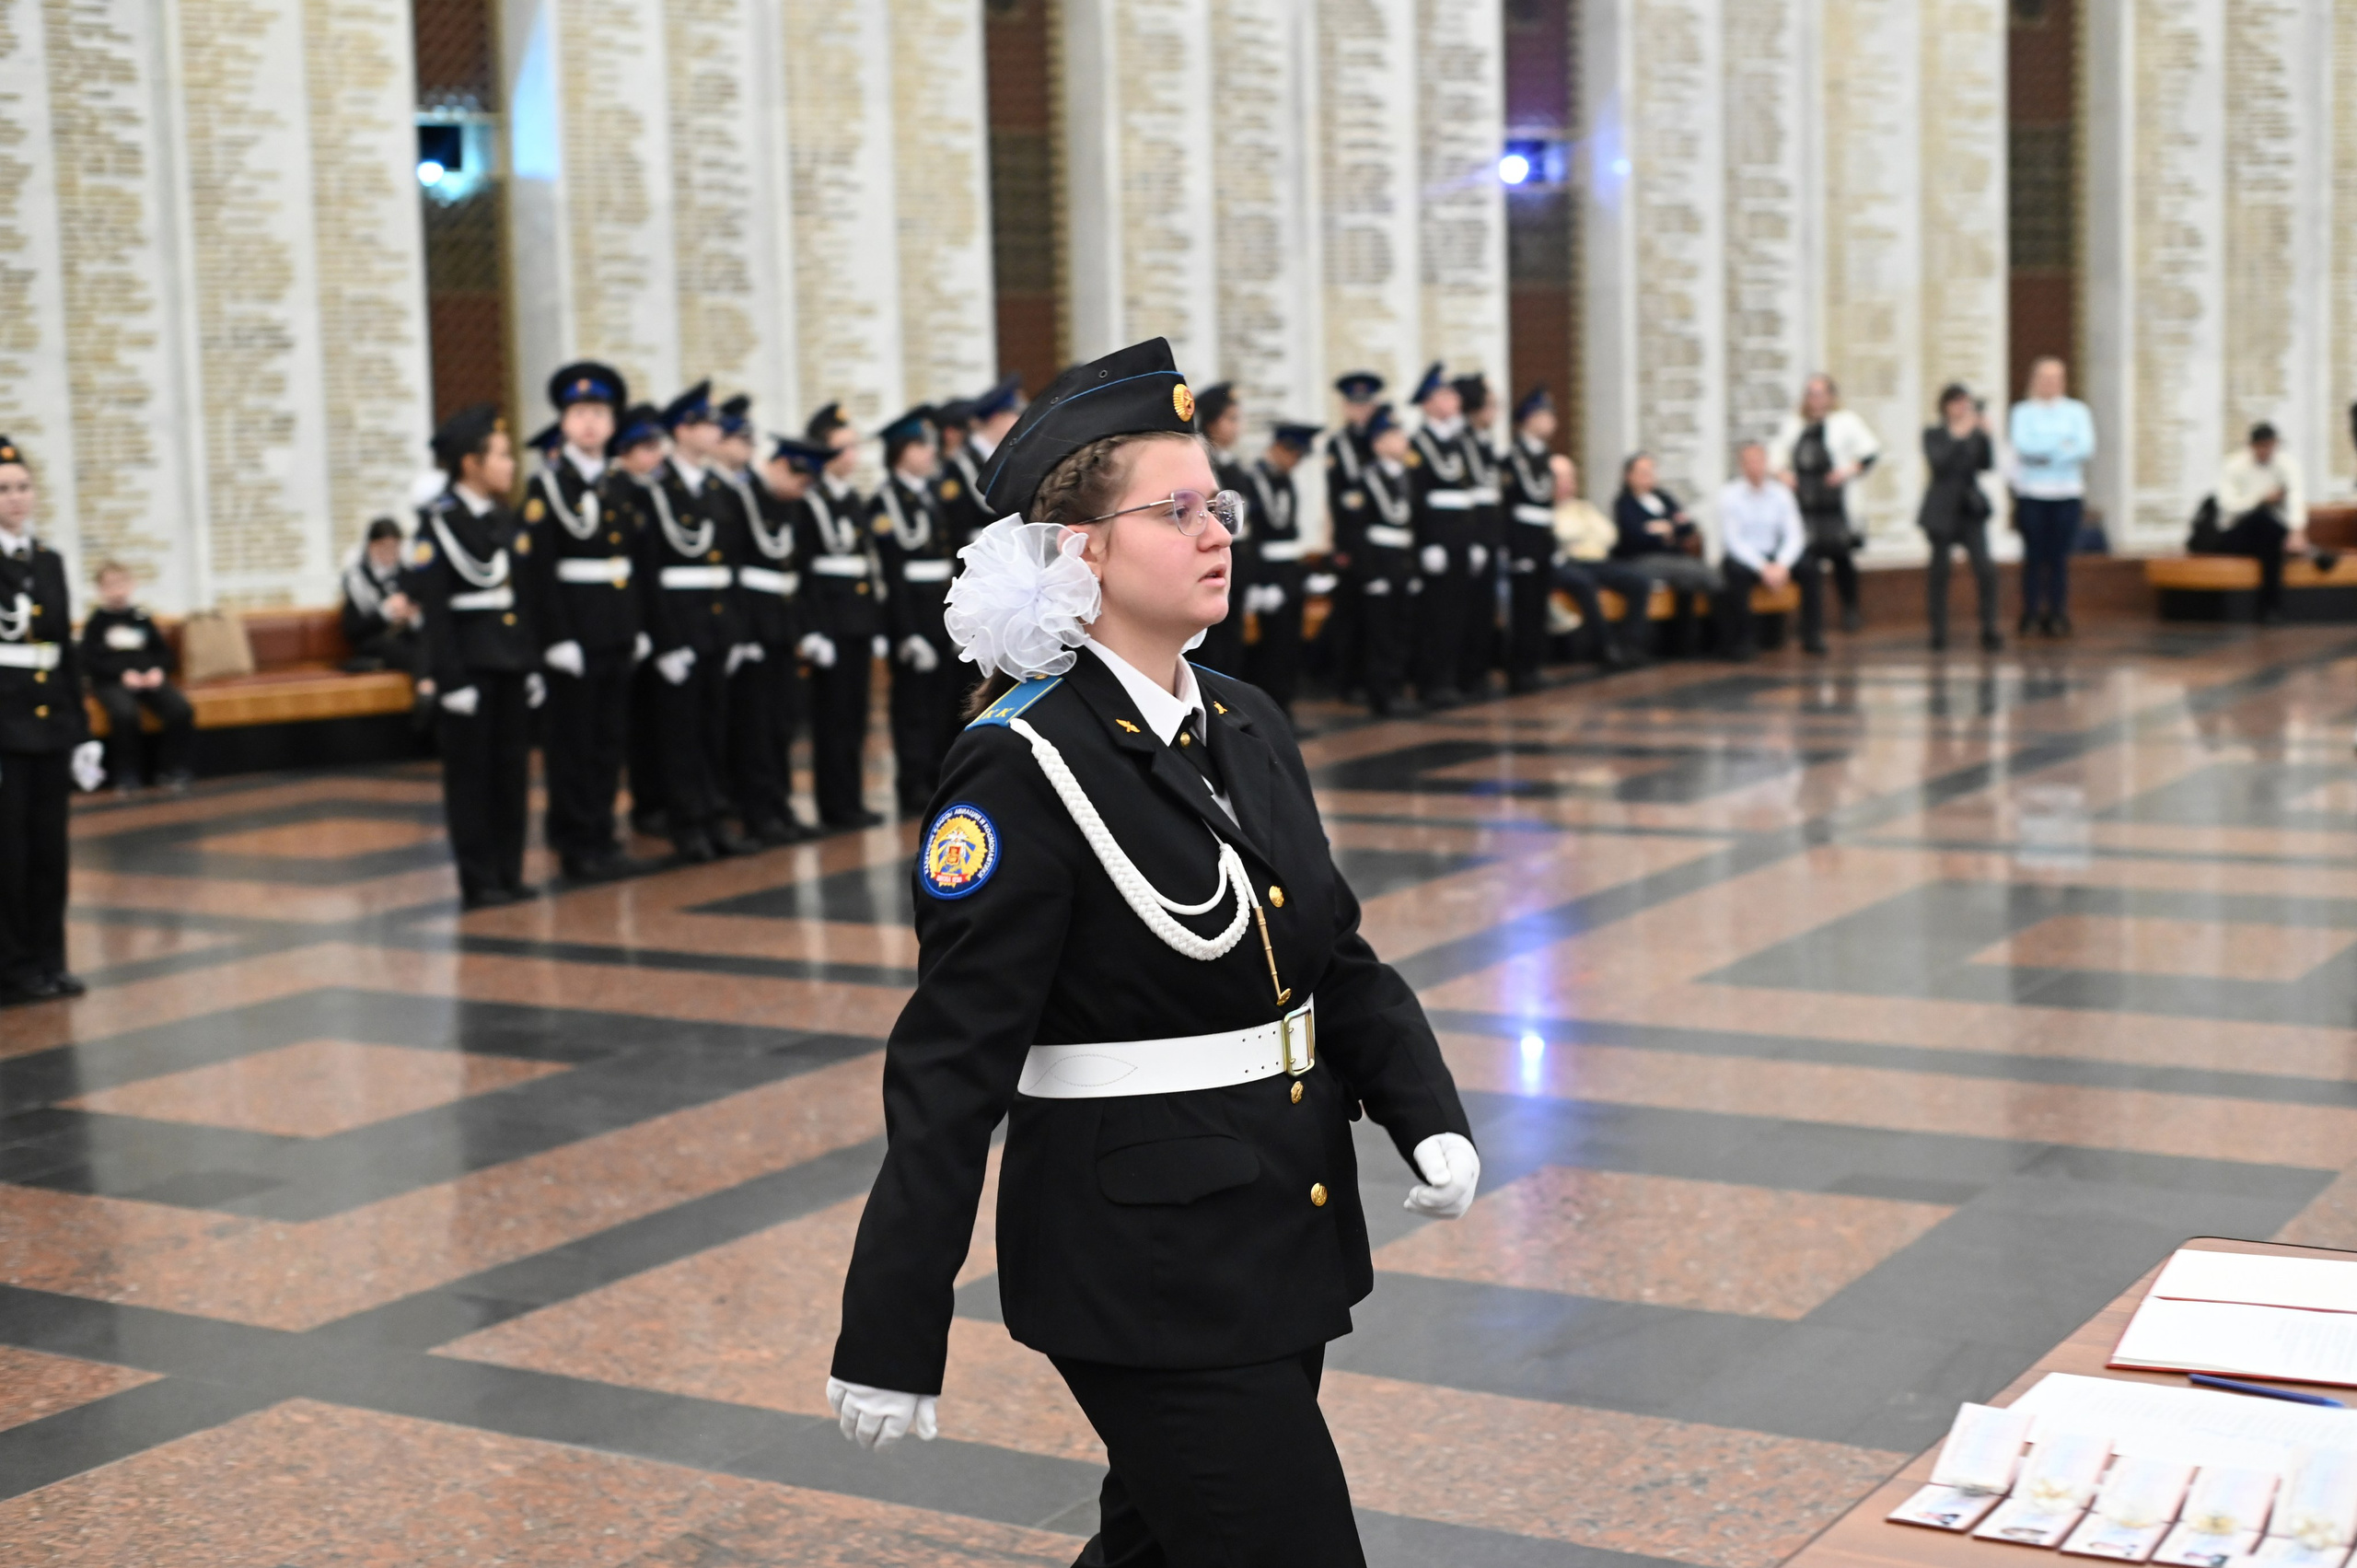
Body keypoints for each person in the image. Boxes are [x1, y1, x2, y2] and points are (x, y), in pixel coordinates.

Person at [828, 337, 1479, 1568]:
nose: (1215, 530)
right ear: (1082, 547)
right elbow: (951, 1063)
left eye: (1216, 503)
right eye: (1174, 509)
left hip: (1279, 1219)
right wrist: (891, 1319)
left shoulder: (1246, 718)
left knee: (1160, 1544)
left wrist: (1420, 1105)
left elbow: (1331, 951)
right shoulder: (1023, 763)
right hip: (1145, 1261)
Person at [406, 406, 540, 911]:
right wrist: (450, 679)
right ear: (470, 464)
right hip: (470, 667)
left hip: (508, 660)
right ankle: (478, 878)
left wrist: (530, 664)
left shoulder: (504, 518)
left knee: (510, 774)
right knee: (471, 779)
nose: (510, 466)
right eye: (502, 456)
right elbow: (435, 614)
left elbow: (520, 598)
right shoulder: (439, 526)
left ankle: (510, 871)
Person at [523, 360, 643, 882]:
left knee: (607, 741)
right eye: (578, 412)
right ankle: (576, 841)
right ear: (564, 423)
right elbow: (539, 573)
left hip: (615, 630)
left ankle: (602, 833)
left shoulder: (619, 485)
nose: (589, 422)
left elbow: (633, 565)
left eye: (598, 412)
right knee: (571, 743)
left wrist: (636, 626)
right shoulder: (548, 487)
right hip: (574, 634)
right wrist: (556, 638)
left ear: (613, 422)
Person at [0, 438, 105, 1004]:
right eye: (4, 490)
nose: (16, 499)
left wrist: (82, 731)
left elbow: (63, 650)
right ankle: (13, 968)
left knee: (49, 854)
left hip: (48, 729)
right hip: (5, 732)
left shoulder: (49, 561)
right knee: (8, 858)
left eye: (23, 487)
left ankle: (48, 959)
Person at [635, 382, 753, 863]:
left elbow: (729, 566)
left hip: (715, 629)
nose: (715, 431)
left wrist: (736, 634)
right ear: (682, 430)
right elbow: (649, 574)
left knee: (713, 731)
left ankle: (713, 819)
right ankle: (688, 826)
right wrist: (665, 643)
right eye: (705, 424)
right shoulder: (656, 493)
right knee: (680, 737)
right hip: (680, 633)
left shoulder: (713, 489)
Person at [711, 396, 811, 845]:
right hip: (751, 627)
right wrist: (740, 631)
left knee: (779, 725)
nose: (802, 487)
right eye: (798, 475)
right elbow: (729, 570)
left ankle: (777, 806)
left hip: (779, 628)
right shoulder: (740, 497)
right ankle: (756, 812)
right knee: (751, 730)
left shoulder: (778, 504)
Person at [872, 406, 964, 818]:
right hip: (912, 617)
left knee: (944, 705)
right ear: (900, 451)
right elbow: (891, 575)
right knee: (913, 709)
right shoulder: (885, 501)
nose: (930, 453)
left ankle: (937, 777)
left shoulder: (930, 496)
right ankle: (912, 784)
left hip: (940, 613)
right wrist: (906, 632)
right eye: (920, 446)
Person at [796, 402, 884, 830]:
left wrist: (876, 622)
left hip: (857, 623)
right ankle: (833, 804)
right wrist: (813, 629)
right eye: (843, 448)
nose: (852, 456)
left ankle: (850, 800)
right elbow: (805, 571)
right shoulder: (810, 502)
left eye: (853, 447)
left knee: (853, 717)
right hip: (830, 625)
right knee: (830, 721)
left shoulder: (850, 499)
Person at [1770, 374, 1879, 633]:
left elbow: (1870, 452)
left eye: (1820, 393)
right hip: (1805, 503)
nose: (1815, 399)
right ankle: (1811, 619)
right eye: (1810, 393)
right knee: (1808, 561)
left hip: (1834, 504)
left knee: (1841, 557)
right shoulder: (1793, 424)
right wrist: (1784, 475)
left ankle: (1850, 609)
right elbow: (1775, 457)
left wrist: (1846, 472)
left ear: (1831, 397)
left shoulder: (1846, 422)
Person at [80, 561, 195, 792]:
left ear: (132, 585)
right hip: (113, 682)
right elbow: (90, 660)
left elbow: (162, 652)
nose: (118, 590)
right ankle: (127, 774)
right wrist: (121, 674)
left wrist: (157, 671)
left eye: (122, 583)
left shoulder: (141, 617)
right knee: (125, 714)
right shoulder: (96, 622)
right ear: (100, 589)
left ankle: (171, 768)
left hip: (148, 678)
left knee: (180, 709)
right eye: (111, 585)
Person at [2008, 356, 2096, 637]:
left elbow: (2085, 447)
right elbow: (2023, 446)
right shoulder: (2022, 411)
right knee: (2034, 556)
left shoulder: (2077, 411)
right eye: (2044, 378)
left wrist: (2046, 454)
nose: (2049, 383)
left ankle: (2058, 614)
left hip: (2066, 494)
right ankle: (2031, 613)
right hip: (2032, 494)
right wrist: (2062, 445)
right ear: (2035, 380)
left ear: (2063, 381)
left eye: (2055, 378)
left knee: (2059, 557)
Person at [1545, 452, 1652, 675]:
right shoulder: (1545, 509)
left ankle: (1630, 644)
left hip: (1596, 560)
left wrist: (1581, 536)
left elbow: (1609, 535)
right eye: (1560, 478)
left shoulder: (1583, 507)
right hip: (1567, 563)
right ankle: (1605, 647)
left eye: (1570, 477)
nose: (1566, 484)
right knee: (1584, 583)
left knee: (1639, 581)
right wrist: (1583, 535)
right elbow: (1562, 537)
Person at [1407, 364, 1475, 707]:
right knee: (1435, 616)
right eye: (1446, 395)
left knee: (1457, 614)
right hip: (1436, 541)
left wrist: (1472, 539)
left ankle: (1451, 679)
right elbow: (1417, 499)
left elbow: (1466, 496)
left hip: (1460, 540)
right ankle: (1432, 683)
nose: (1454, 400)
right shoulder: (1418, 444)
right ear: (1429, 402)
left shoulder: (1457, 441)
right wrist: (1428, 542)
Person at [1714, 441, 1818, 660]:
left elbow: (1794, 534)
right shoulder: (1729, 495)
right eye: (1749, 462)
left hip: (1776, 556)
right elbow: (1733, 541)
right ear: (1742, 466)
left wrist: (1781, 564)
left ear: (1766, 463)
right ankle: (1744, 639)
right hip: (1747, 557)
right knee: (1734, 574)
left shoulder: (1781, 493)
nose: (1755, 467)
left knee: (1810, 568)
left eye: (1759, 461)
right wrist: (1763, 567)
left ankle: (1812, 636)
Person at [1238, 422, 1316, 717]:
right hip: (1267, 573)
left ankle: (1285, 707)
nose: (1296, 463)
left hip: (1289, 573)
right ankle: (1270, 712)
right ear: (1280, 448)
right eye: (1295, 455)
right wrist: (1259, 581)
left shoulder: (1284, 479)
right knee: (1270, 650)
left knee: (1288, 646)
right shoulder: (1253, 480)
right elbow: (1252, 535)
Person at [1610, 452, 1721, 654]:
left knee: (1689, 583)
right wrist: (1666, 531)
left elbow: (1686, 526)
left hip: (1673, 557)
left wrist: (1664, 528)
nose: (1649, 476)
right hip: (1641, 560)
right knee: (1694, 573)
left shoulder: (1663, 498)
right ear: (1629, 476)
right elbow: (1635, 536)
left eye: (1651, 471)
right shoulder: (1624, 503)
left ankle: (1690, 642)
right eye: (1643, 472)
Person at [1919, 384, 2001, 652]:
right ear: (1945, 406)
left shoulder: (1974, 434)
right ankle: (1938, 631)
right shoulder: (1933, 434)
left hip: (1969, 510)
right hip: (1942, 510)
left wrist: (1986, 436)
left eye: (1965, 403)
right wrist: (1960, 435)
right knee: (1939, 573)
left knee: (1985, 569)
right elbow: (1939, 464)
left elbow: (1986, 465)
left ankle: (1989, 628)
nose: (1961, 408)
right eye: (1956, 403)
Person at [1322, 372, 1385, 702]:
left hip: (1380, 543)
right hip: (1352, 541)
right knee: (1349, 616)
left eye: (1366, 404)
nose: (1361, 410)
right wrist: (1342, 546)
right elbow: (1339, 499)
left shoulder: (1381, 439)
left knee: (1377, 619)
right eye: (1354, 404)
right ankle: (1346, 681)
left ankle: (1371, 679)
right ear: (1346, 407)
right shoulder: (1339, 444)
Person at [1356, 404, 1422, 716]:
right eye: (1393, 435)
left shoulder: (1407, 477)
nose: (1402, 440)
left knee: (1402, 630)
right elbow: (1359, 531)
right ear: (1378, 443)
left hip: (1403, 562)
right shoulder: (1366, 479)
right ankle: (1380, 694)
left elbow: (1414, 525)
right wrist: (1371, 574)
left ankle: (1397, 688)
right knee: (1380, 633)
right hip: (1380, 563)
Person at [2211, 423, 2311, 623]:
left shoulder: (2286, 465)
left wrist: (2297, 531)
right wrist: (2261, 499)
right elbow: (2228, 506)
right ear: (2252, 446)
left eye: (2270, 446)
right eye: (2262, 446)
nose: (2266, 451)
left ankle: (2267, 609)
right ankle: (2271, 605)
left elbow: (2295, 498)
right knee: (2263, 521)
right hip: (2236, 534)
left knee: (2269, 540)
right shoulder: (2234, 466)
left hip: (2268, 537)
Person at [1190, 382, 1249, 676]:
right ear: (1212, 423)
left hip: (1235, 562)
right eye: (1231, 419)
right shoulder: (1204, 467)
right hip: (1210, 562)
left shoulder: (1235, 467)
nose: (1238, 427)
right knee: (1211, 644)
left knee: (1232, 638)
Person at [1452, 373, 1505, 696]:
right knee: (1465, 612)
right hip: (1469, 536)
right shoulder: (1461, 441)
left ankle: (1478, 671)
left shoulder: (1482, 441)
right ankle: (1464, 674)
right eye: (1490, 405)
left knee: (1484, 610)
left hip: (1488, 534)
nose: (1495, 412)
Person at [342, 517, 429, 690]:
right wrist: (385, 613)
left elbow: (423, 616)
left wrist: (411, 616)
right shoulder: (357, 579)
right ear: (371, 547)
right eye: (384, 548)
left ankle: (427, 688)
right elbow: (353, 630)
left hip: (407, 639)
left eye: (395, 548)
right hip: (375, 641)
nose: (390, 553)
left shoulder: (409, 577)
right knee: (399, 648)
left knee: (430, 643)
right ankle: (425, 685)